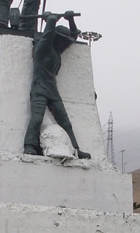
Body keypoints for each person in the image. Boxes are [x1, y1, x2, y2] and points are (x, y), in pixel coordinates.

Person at [23, 12, 91, 159]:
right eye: (61, 39)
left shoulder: (56, 50)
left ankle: (76, 149)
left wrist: (70, 19)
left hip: (52, 89)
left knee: (65, 121)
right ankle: (29, 145)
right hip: (39, 88)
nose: (63, 42)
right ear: (55, 37)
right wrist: (51, 19)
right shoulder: (42, 48)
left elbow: (73, 36)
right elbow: (48, 33)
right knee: (37, 118)